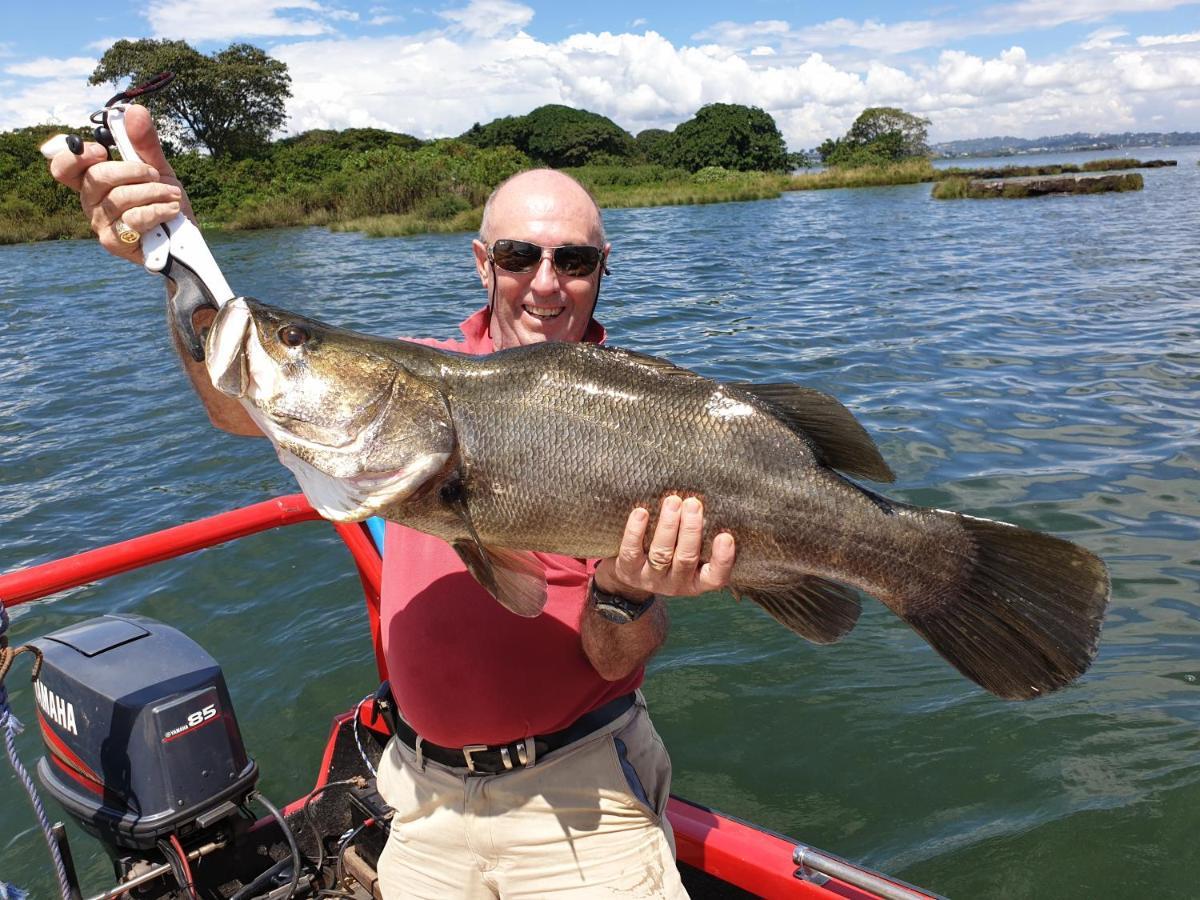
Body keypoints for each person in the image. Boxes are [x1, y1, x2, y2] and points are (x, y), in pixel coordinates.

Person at [49, 107, 737, 898]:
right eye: (519, 255)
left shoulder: (650, 419)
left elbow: (615, 658)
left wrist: (626, 591)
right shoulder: (419, 380)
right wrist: (178, 254)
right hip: (419, 800)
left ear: (602, 268)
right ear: (483, 262)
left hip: (582, 802)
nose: (545, 282)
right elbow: (239, 401)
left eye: (573, 260)